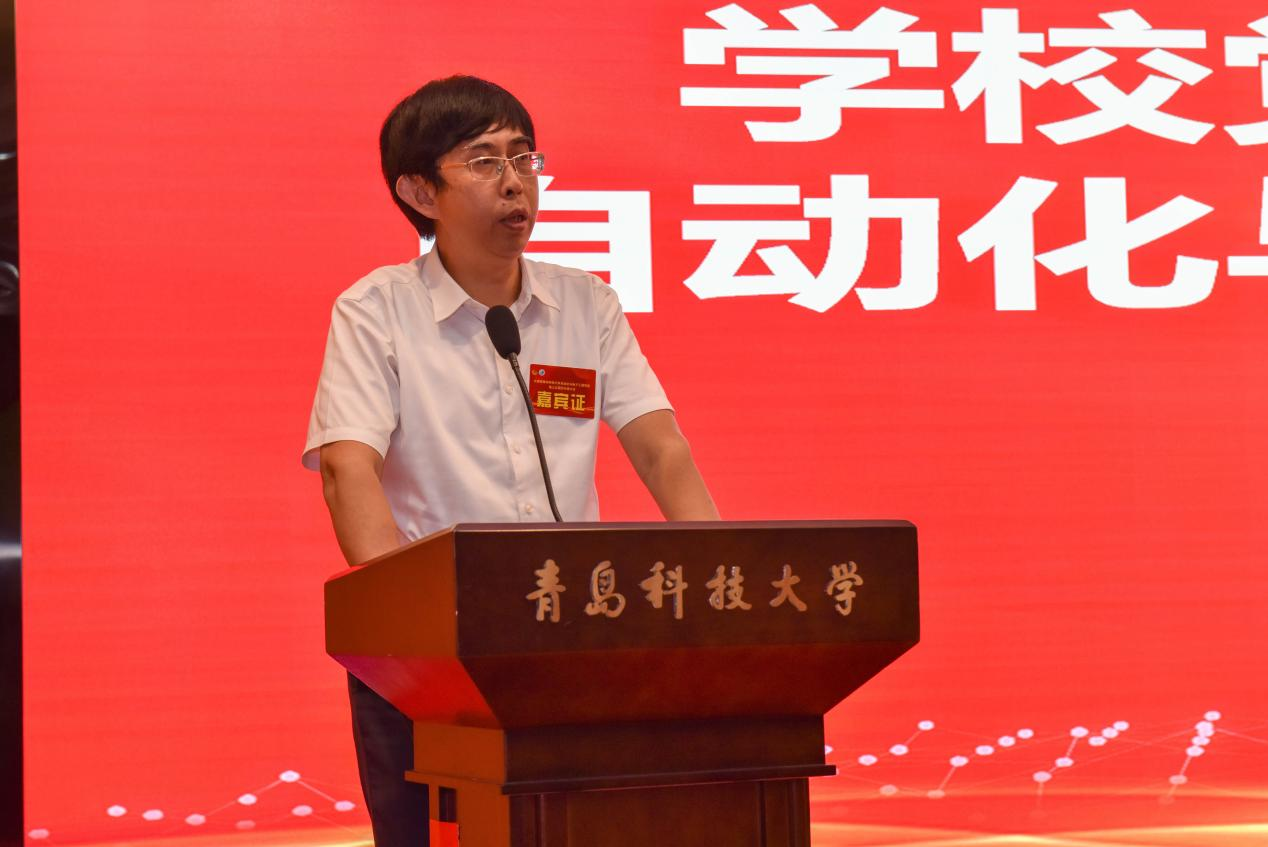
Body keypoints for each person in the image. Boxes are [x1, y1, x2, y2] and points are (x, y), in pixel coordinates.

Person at [302, 75, 719, 845]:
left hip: (572, 634)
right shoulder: (376, 310)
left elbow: (661, 449)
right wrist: (404, 633)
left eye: (524, 158)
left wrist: (725, 582)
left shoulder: (585, 303)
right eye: (485, 160)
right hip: (430, 652)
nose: (515, 180)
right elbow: (346, 468)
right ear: (419, 192)